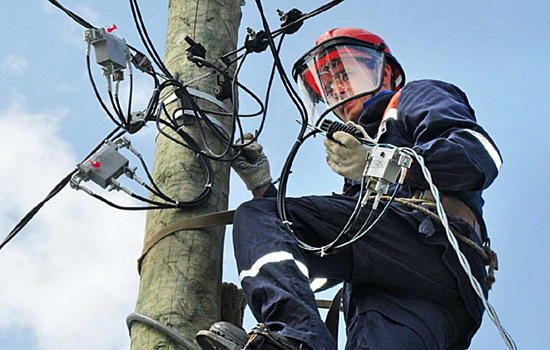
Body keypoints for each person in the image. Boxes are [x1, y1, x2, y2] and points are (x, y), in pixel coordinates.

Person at [203, 27, 502, 350]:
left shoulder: (415, 98)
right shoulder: (358, 168)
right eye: (327, 86)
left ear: (384, 72)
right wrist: (263, 185)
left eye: (345, 72)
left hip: (436, 249)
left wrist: (379, 161)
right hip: (399, 298)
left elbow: (477, 156)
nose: (337, 89)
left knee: (261, 217)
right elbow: (316, 245)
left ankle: (298, 338)